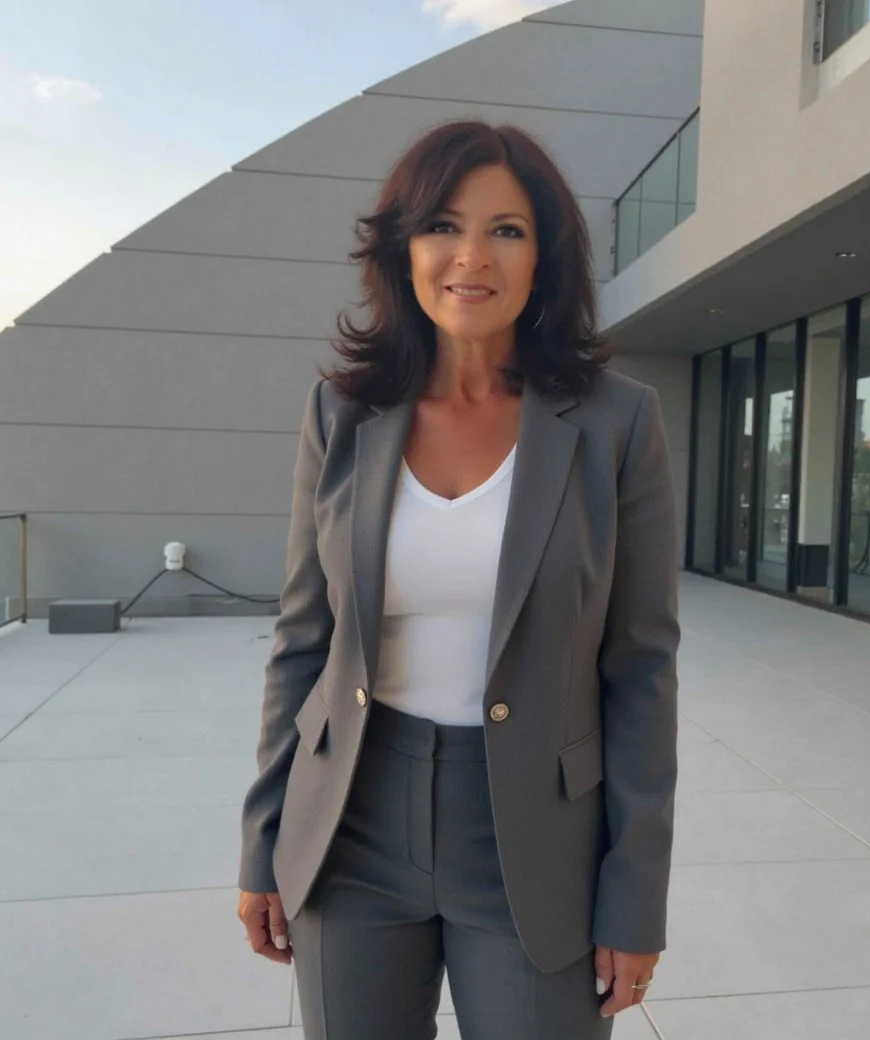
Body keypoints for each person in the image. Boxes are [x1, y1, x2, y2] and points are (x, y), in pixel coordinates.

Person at [237, 120, 680, 1040]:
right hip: (351, 819)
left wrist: (635, 894)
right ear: (403, 247)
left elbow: (640, 669)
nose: (471, 255)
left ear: (543, 256)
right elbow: (302, 642)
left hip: (536, 838)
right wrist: (263, 838)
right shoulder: (343, 412)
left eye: (507, 230)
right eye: (442, 224)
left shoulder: (617, 423)